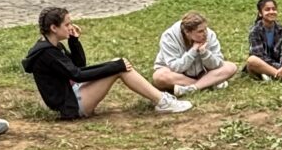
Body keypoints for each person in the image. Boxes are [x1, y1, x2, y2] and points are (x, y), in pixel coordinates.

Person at [22, 7, 189, 118]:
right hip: (71, 105)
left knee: (117, 63)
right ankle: (162, 101)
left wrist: (74, 41)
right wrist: (114, 67)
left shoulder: (52, 46)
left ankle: (160, 98)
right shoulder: (47, 53)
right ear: (54, 28)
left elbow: (78, 66)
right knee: (119, 67)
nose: (71, 26)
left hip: (72, 93)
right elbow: (77, 75)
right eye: (67, 24)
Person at [153, 11, 239, 94]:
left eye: (205, 29)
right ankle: (208, 84)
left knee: (231, 67)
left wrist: (204, 53)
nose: (205, 33)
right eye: (200, 31)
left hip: (204, 73)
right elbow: (175, 67)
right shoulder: (169, 37)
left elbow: (218, 63)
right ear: (187, 32)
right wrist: (193, 51)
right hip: (179, 75)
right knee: (159, 76)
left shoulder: (210, 34)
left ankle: (192, 88)